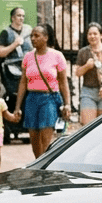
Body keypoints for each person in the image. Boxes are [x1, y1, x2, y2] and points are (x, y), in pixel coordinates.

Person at [13, 24, 71, 158]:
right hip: (31, 98)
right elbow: (23, 82)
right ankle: (38, 168)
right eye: (32, 36)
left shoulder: (57, 56)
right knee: (34, 141)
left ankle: (45, 170)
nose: (33, 39)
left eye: (36, 36)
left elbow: (63, 82)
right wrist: (17, 107)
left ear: (46, 38)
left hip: (49, 98)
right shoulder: (28, 57)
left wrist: (67, 103)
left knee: (45, 141)